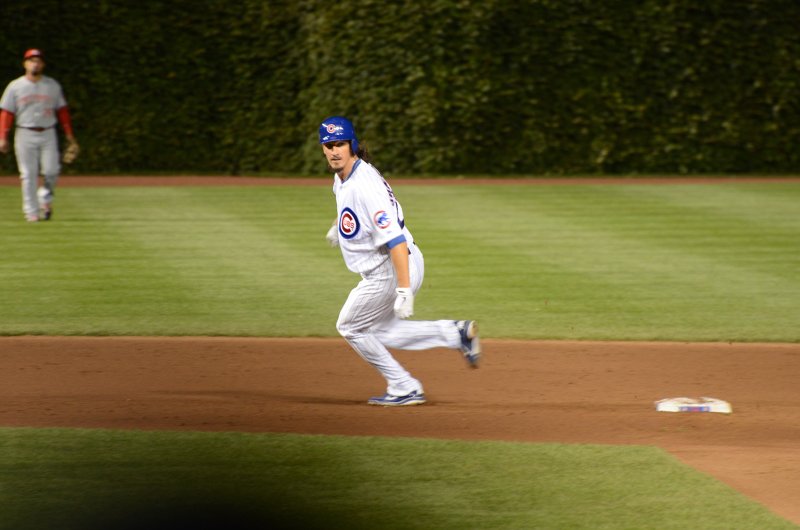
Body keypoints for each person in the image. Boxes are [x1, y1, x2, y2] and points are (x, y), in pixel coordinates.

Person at [319, 116, 481, 407]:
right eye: (328, 145)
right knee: (381, 329)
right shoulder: (346, 175)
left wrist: (403, 290)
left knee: (351, 327)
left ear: (352, 144)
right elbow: (350, 206)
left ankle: (404, 386)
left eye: (340, 144)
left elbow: (395, 241)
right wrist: (337, 228)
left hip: (391, 269)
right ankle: (455, 333)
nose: (334, 151)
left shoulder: (364, 186)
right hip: (402, 263)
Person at [0, 48, 78, 222]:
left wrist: (69, 134)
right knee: (28, 174)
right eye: (31, 60)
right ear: (25, 64)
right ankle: (31, 211)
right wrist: (3, 137)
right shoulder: (15, 86)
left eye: (38, 61)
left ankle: (45, 200)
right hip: (24, 133)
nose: (35, 63)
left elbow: (62, 111)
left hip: (48, 133)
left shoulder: (52, 85)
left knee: (51, 171)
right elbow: (7, 113)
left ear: (43, 64)